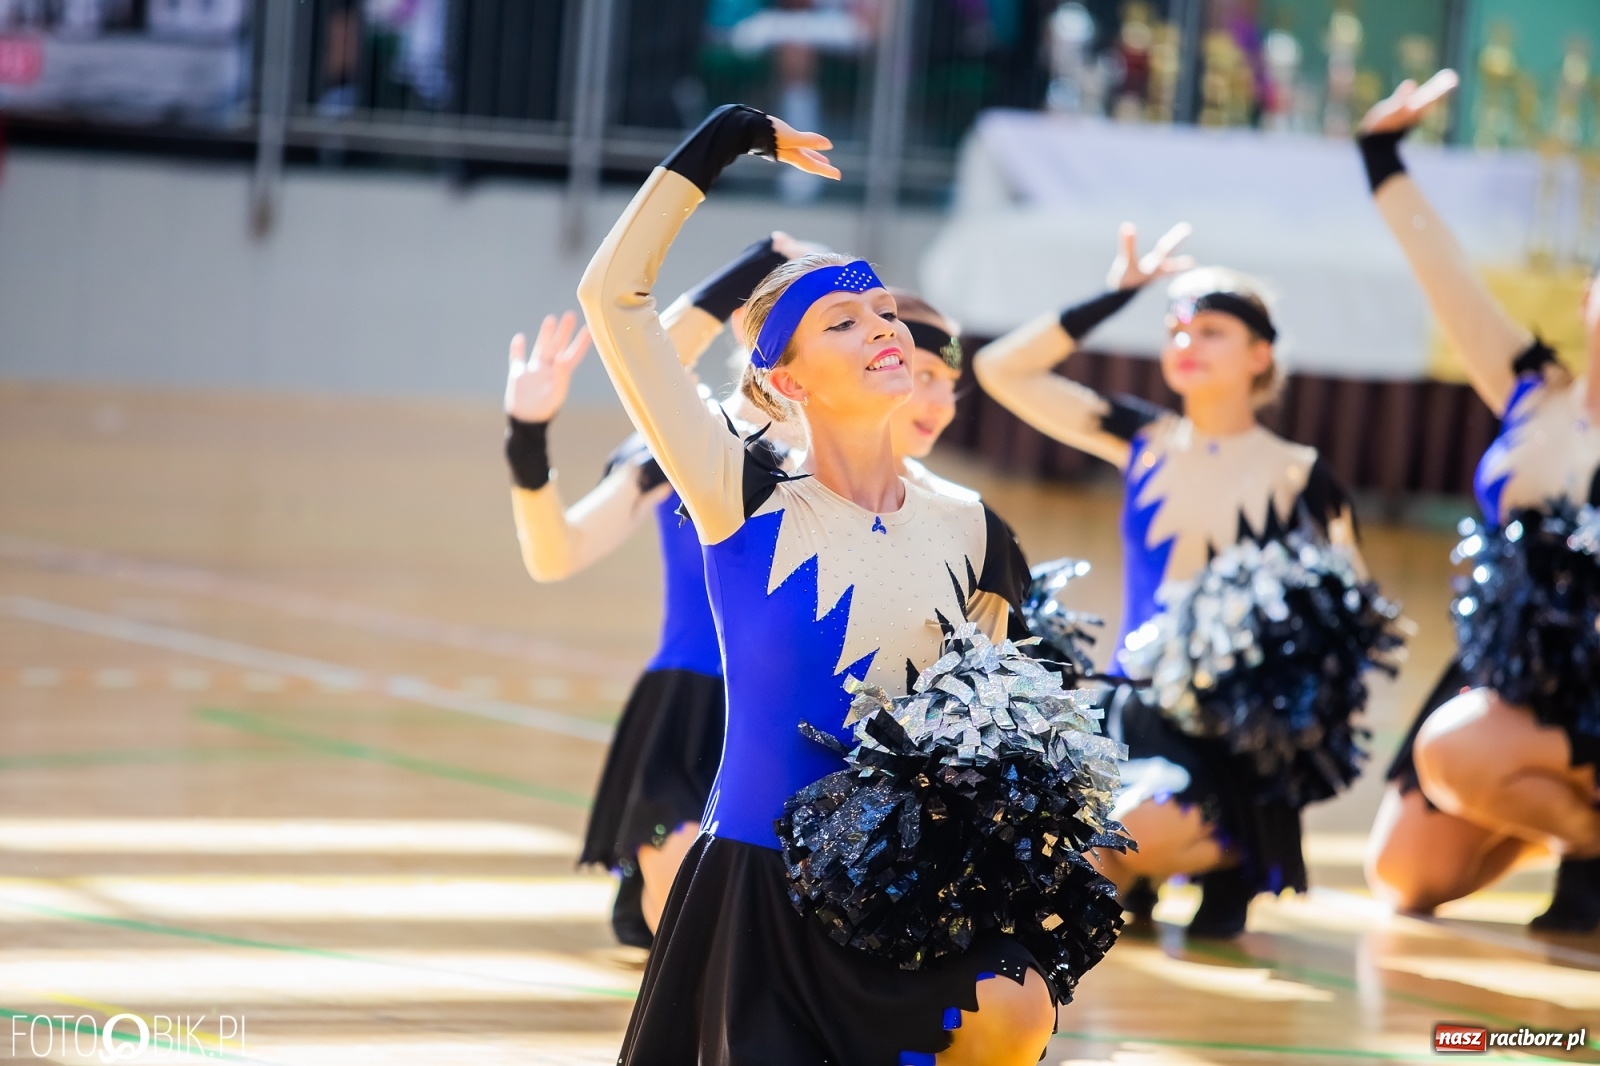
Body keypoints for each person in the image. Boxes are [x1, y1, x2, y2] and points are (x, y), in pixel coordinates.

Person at [577, 103, 1092, 1066]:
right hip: (758, 898)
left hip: (901, 897)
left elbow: (994, 728)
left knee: (1019, 1010)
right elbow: (614, 299)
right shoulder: (739, 492)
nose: (883, 329)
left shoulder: (972, 525)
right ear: (788, 381)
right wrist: (726, 138)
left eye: (887, 313)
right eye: (843, 322)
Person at [973, 226, 1376, 938]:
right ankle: (1150, 866)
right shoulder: (1142, 439)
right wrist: (1116, 295)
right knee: (1054, 846)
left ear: (1260, 354)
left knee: (1122, 837)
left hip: (1234, 737)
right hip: (1132, 710)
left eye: (1212, 330)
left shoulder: (1303, 475)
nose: (1187, 341)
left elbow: (1356, 618)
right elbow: (1000, 369)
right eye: (1175, 329)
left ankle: (1227, 854)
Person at [1357, 71, 1600, 930]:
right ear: (1588, 297)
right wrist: (1381, 155)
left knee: (1457, 751)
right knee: (1405, 876)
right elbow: (1444, 274)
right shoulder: (1536, 388)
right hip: (1514, 670)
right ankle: (1582, 834)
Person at [503, 236, 794, 944]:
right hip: (691, 707)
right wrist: (527, 437)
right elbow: (556, 552)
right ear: (747, 326)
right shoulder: (687, 440)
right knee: (693, 892)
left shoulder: (851, 462)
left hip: (795, 710)